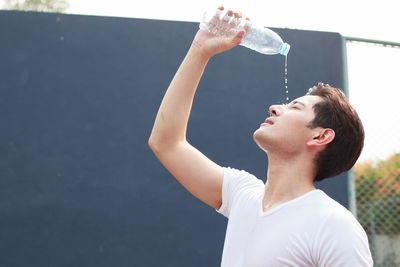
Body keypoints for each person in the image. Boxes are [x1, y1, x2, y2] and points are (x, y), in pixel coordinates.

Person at [148, 6, 373, 267]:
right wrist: (200, 50)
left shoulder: (333, 225)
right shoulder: (243, 194)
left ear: (320, 136)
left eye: (295, 107)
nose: (276, 107)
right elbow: (166, 143)